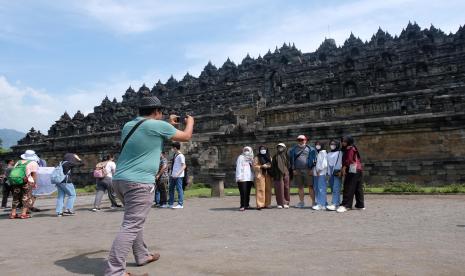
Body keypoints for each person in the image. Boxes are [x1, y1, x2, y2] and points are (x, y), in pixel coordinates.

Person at [104, 96, 194, 276]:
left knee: (134, 221)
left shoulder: (129, 125)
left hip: (120, 180)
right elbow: (186, 136)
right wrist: (190, 122)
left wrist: (168, 124)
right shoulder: (157, 126)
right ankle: (114, 272)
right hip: (139, 182)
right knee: (131, 225)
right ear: (156, 112)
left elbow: (152, 138)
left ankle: (142, 255)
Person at [337, 135, 365, 213]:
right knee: (357, 188)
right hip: (358, 169)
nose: (343, 143)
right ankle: (360, 205)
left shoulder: (349, 149)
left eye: (345, 141)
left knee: (348, 187)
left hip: (352, 169)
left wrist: (344, 168)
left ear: (349, 141)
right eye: (342, 141)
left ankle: (346, 205)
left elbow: (349, 160)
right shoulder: (353, 147)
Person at [9, 150, 39, 219]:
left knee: (15, 197)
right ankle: (23, 214)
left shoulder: (18, 162)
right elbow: (33, 175)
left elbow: (14, 171)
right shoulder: (33, 163)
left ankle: (13, 214)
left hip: (17, 181)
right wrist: (34, 183)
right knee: (26, 197)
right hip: (27, 182)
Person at [289, 135, 317, 208]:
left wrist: (312, 169)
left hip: (308, 170)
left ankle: (314, 202)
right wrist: (293, 169)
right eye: (299, 140)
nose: (301, 141)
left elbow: (315, 160)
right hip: (297, 170)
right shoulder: (293, 149)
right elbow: (291, 161)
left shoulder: (311, 149)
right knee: (300, 187)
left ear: (305, 140)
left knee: (310, 186)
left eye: (302, 140)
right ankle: (301, 202)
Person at [271, 143, 290, 209]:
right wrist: (273, 174)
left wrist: (287, 172)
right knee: (279, 189)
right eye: (278, 147)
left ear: (284, 148)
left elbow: (289, 165)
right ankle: (280, 203)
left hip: (286, 173)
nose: (280, 148)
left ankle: (286, 202)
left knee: (286, 188)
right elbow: (272, 167)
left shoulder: (286, 155)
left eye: (281, 147)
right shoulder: (275, 156)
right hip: (278, 175)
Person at [235, 146, 254, 211]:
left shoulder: (251, 159)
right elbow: (238, 167)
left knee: (248, 192)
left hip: (249, 178)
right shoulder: (241, 157)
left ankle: (247, 204)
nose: (246, 151)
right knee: (243, 192)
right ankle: (242, 205)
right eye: (245, 150)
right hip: (242, 178)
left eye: (248, 150)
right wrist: (239, 177)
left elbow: (252, 169)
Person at [326, 139, 343, 211]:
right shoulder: (328, 154)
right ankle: (337, 202)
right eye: (331, 144)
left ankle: (334, 203)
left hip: (337, 171)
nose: (332, 145)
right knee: (333, 188)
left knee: (336, 188)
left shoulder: (340, 152)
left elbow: (342, 162)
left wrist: (341, 171)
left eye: (334, 144)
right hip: (330, 172)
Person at [168, 143, 186, 209]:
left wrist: (177, 174)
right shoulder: (175, 155)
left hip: (178, 176)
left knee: (179, 189)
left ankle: (180, 204)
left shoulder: (181, 155)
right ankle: (170, 203)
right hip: (173, 175)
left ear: (175, 148)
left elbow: (184, 166)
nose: (172, 149)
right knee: (171, 189)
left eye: (172, 148)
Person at [312, 141, 328, 210]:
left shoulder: (323, 152)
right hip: (316, 173)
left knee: (321, 189)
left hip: (321, 173)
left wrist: (319, 170)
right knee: (317, 188)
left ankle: (322, 204)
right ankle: (320, 202)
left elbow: (325, 164)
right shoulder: (318, 153)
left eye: (319, 144)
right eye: (316, 144)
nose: (317, 146)